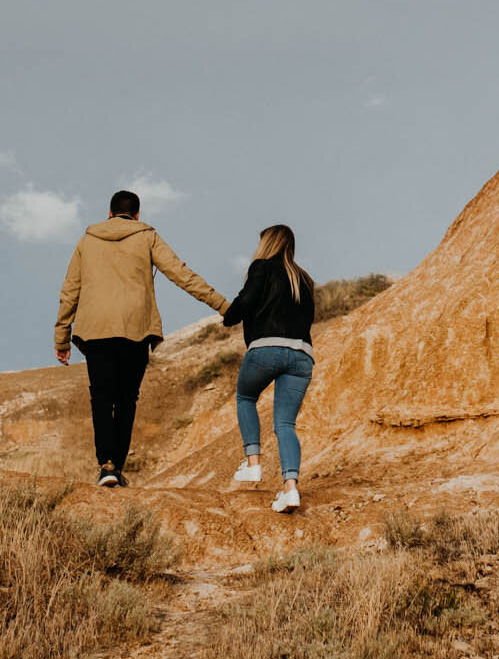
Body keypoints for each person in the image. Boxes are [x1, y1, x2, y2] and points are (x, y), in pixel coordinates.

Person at [54, 189, 228, 487]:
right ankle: (116, 467)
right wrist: (223, 305)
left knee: (100, 397)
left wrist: (62, 337)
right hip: (136, 329)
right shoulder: (147, 236)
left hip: (95, 330)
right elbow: (180, 273)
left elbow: (70, 290)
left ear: (109, 214)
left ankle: (105, 465)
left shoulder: (87, 240)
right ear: (137, 215)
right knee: (126, 400)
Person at [223, 224, 315, 513]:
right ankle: (290, 490)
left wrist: (229, 316)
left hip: (266, 348)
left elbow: (246, 302)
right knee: (286, 425)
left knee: (246, 398)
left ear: (268, 244)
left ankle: (253, 464)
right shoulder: (304, 278)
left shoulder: (261, 267)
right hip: (301, 355)